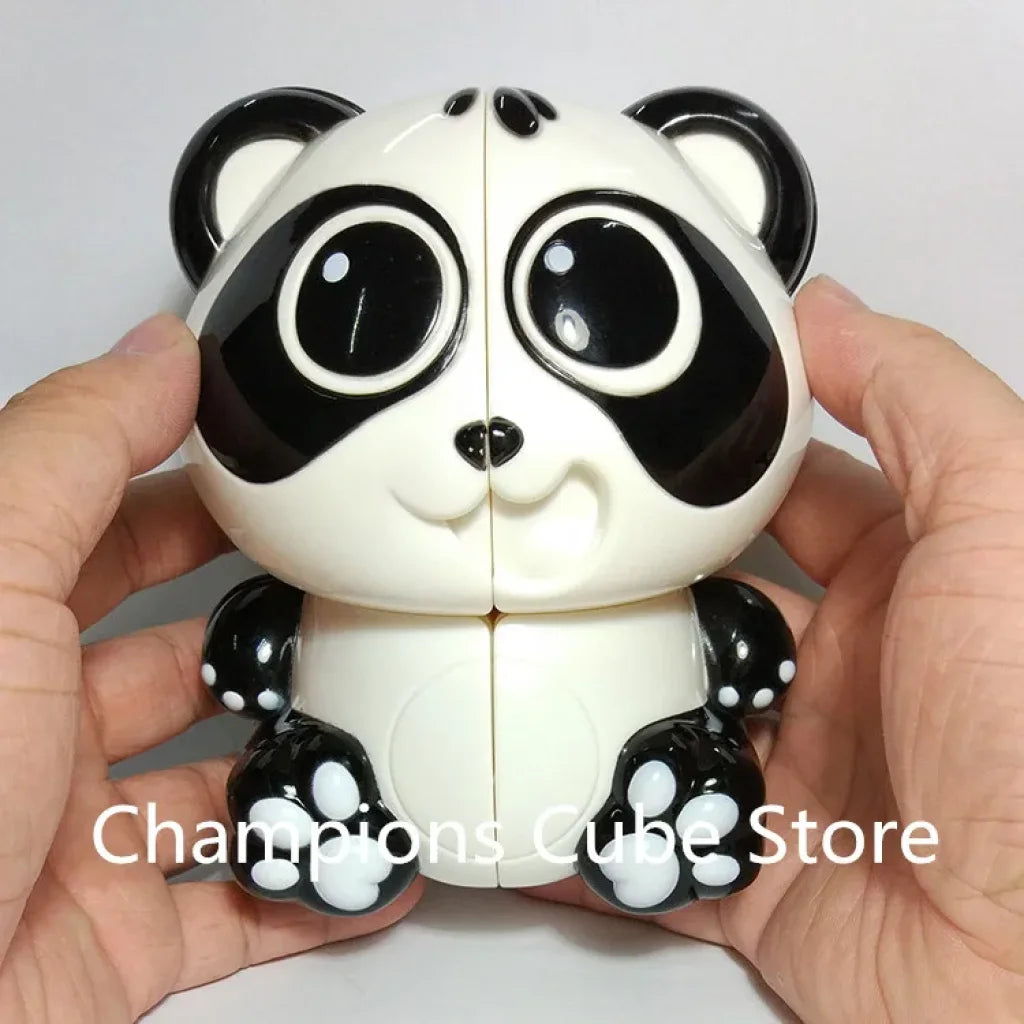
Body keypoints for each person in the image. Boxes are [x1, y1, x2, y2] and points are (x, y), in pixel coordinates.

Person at [0, 275, 1020, 1022]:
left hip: (631, 737)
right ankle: (325, 799)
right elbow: (256, 635)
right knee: (316, 739)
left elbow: (735, 633)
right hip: (366, 726)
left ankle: (666, 794)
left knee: (684, 732)